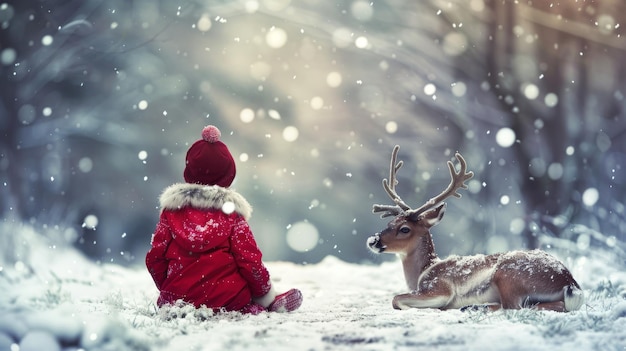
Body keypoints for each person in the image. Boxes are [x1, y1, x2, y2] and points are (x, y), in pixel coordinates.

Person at [146, 125, 302, 314]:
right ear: (229, 175)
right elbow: (250, 261)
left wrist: (170, 289)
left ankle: (185, 300)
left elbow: (155, 259)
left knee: (182, 294)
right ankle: (267, 302)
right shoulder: (232, 215)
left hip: (178, 299)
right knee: (248, 301)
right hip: (228, 300)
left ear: (188, 172)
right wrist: (263, 292)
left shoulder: (171, 213)